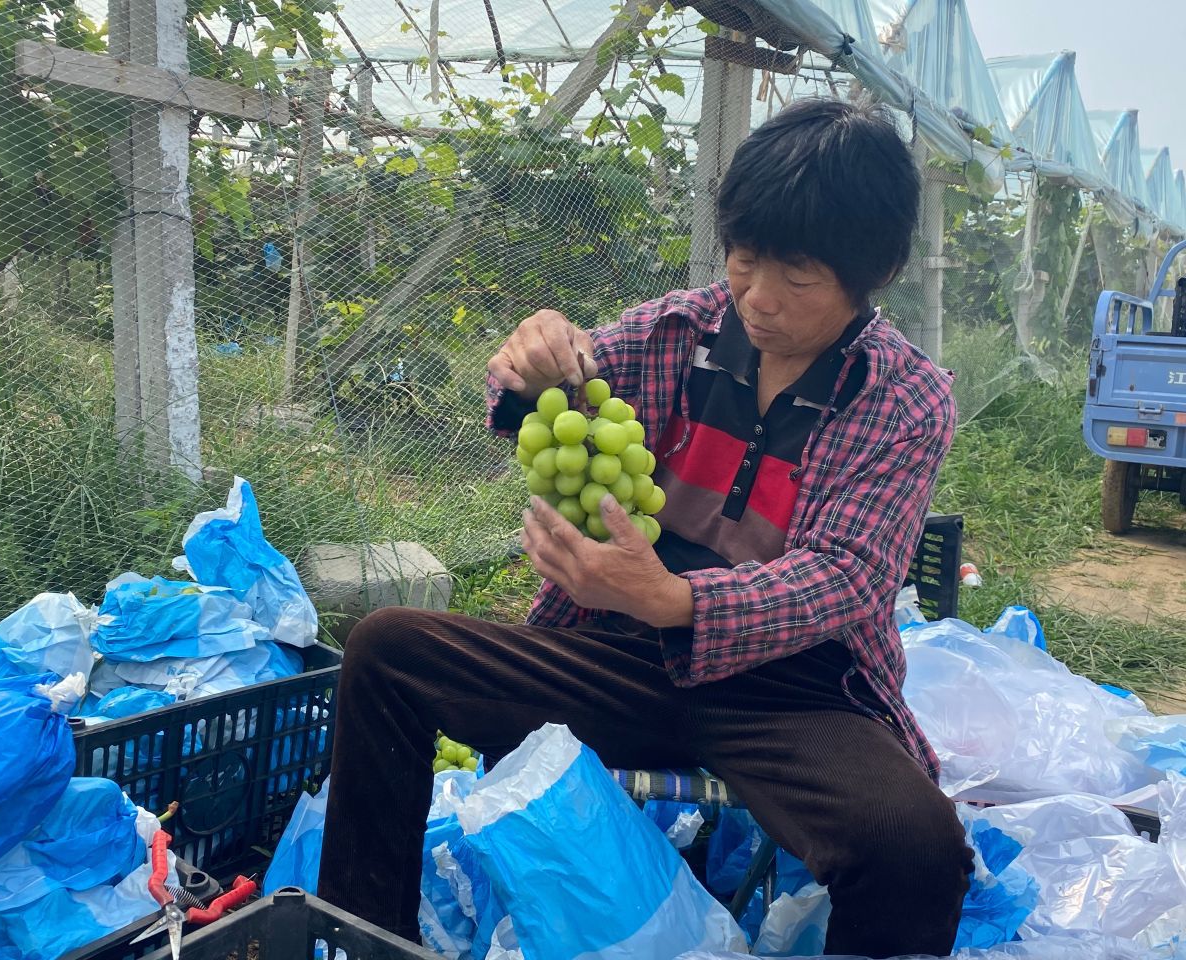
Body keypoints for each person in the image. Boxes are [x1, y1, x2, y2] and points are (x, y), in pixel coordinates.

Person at [318, 97, 972, 959]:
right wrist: (535, 360)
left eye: (800, 277)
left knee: (917, 849)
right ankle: (362, 938)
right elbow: (564, 383)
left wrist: (679, 600)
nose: (760, 299)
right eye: (745, 259)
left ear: (868, 277)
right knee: (387, 650)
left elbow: (845, 577)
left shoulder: (904, 396)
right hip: (620, 658)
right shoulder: (681, 330)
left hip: (794, 694)